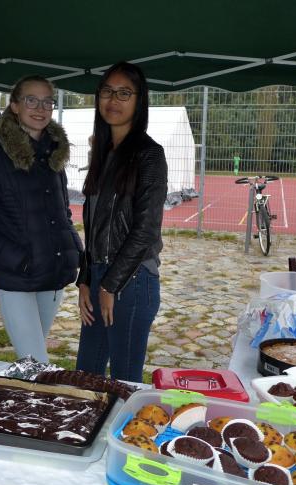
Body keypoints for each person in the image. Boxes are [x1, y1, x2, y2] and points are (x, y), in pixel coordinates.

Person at [0, 75, 82, 362]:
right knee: (36, 363)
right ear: (15, 106)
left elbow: (63, 213)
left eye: (47, 102)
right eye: (31, 100)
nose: (40, 108)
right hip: (16, 276)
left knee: (31, 363)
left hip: (52, 275)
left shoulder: (54, 153)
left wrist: (75, 252)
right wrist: (19, 259)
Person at [75, 62, 168, 382]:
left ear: (139, 101)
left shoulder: (149, 154)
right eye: (107, 91)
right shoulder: (103, 152)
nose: (113, 100)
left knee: (124, 382)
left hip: (132, 279)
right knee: (86, 375)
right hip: (100, 276)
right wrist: (86, 278)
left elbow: (146, 229)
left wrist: (110, 284)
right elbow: (95, 226)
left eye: (124, 93)